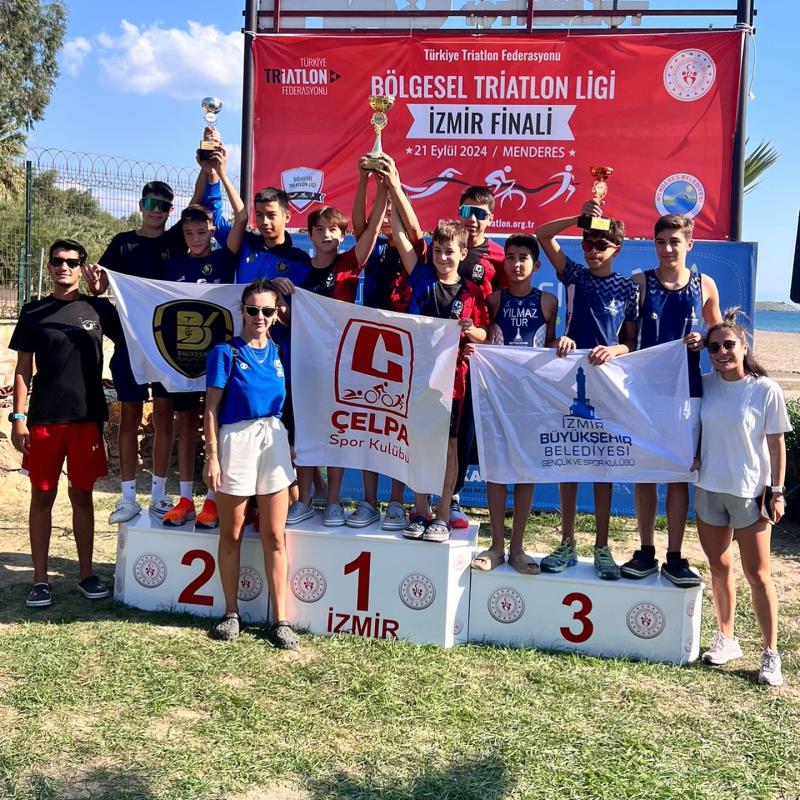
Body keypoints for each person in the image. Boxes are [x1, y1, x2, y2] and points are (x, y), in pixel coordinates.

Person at [10, 239, 122, 608]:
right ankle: (40, 580)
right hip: (44, 418)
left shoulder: (97, 309)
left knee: (82, 496)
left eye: (72, 262)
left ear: (81, 267)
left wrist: (103, 291)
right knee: (42, 496)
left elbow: (132, 326)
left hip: (86, 417)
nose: (64, 267)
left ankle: (86, 574)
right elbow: (24, 369)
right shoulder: (33, 312)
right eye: (58, 261)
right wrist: (18, 418)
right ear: (50, 266)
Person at [535, 202, 639, 580]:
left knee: (602, 465)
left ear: (617, 249)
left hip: (607, 383)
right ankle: (566, 542)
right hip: (570, 376)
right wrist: (578, 220)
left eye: (602, 245)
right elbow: (542, 235)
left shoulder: (628, 288)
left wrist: (614, 350)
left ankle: (602, 546)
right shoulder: (574, 274)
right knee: (568, 458)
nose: (593, 251)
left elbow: (632, 342)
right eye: (588, 243)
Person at [620, 213, 721, 586]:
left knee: (679, 476)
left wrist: (703, 339)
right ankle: (646, 551)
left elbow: (717, 330)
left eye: (674, 242)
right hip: (647, 392)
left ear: (689, 245)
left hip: (687, 392)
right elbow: (628, 338)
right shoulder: (639, 282)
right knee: (646, 475)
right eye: (661, 242)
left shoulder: (704, 284)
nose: (667, 249)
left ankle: (675, 555)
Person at [277, 193, 388, 528]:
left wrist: (379, 189)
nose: (326, 235)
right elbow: (285, 319)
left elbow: (370, 232)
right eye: (319, 229)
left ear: (343, 235)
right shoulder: (295, 273)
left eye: (333, 230)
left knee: (337, 434)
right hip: (304, 367)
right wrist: (281, 301)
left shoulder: (348, 265)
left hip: (341, 366)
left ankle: (335, 501)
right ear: (309, 234)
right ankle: (306, 500)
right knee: (305, 435)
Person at [99, 177, 205, 524]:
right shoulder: (122, 243)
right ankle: (128, 496)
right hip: (129, 344)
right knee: (129, 415)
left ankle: (161, 495)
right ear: (141, 206)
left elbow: (198, 201)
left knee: (167, 416)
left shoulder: (176, 241)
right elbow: (101, 282)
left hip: (166, 348)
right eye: (151, 205)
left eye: (163, 206)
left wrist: (206, 165)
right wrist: (95, 282)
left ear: (169, 211)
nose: (156, 211)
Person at [694, 310, 790, 686]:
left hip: (751, 493)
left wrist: (777, 491)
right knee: (719, 568)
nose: (721, 352)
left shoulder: (765, 389)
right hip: (709, 489)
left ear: (743, 347)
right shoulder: (703, 384)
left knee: (758, 575)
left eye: (728, 345)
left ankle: (770, 654)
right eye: (713, 347)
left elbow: (776, 443)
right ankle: (727, 638)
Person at [203, 278, 299, 649]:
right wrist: (212, 455)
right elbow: (210, 408)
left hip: (273, 440)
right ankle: (231, 613)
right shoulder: (225, 352)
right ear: (241, 311)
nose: (260, 317)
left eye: (268, 311)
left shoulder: (281, 352)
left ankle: (281, 620)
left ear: (277, 314)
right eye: (253, 310)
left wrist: (290, 458)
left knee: (275, 536)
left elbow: (287, 408)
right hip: (235, 441)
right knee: (233, 534)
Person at [160, 149, 246, 528]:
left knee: (216, 426)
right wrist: (204, 172)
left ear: (214, 231)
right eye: (189, 232)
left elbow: (243, 216)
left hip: (220, 359)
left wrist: (222, 173)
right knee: (185, 425)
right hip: (183, 359)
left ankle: (213, 499)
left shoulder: (225, 258)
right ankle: (184, 498)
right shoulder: (174, 263)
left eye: (202, 231)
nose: (195, 237)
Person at [393, 215, 489, 543]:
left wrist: (470, 329)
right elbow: (402, 237)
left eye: (449, 252)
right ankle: (420, 509)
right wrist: (391, 191)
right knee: (419, 441)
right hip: (419, 377)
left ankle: (444, 512)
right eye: (437, 251)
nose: (443, 257)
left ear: (463, 253)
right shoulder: (421, 279)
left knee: (450, 447)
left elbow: (485, 336)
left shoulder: (473, 292)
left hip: (455, 383)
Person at [471, 234, 558, 573]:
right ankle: (495, 545)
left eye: (524, 257)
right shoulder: (493, 300)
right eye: (510, 257)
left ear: (536, 265)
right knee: (496, 471)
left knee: (524, 471)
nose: (516, 263)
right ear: (503, 263)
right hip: (496, 396)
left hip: (531, 401)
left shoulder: (549, 302)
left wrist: (561, 341)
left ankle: (518, 548)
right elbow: (479, 336)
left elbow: (550, 343)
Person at [348, 153, 423, 531]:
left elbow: (412, 228)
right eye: (386, 212)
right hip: (372, 343)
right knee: (369, 425)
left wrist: (393, 184)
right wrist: (367, 183)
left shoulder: (419, 252)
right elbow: (361, 224)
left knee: (397, 428)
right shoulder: (374, 248)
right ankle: (367, 501)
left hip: (405, 346)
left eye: (394, 212)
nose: (389, 218)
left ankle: (396, 501)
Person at [449, 185, 506, 529]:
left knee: (464, 431)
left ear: (491, 218)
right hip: (439, 355)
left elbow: (502, 307)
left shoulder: (499, 256)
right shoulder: (443, 247)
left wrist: (483, 342)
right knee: (437, 429)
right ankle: (426, 497)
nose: (473, 220)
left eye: (480, 213)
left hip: (475, 356)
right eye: (467, 212)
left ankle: (452, 496)